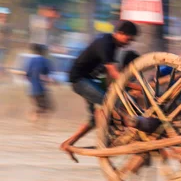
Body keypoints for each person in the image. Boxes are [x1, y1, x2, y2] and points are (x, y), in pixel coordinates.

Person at [60, 21, 139, 160]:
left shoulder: (113, 46)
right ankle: (123, 131)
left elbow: (109, 76)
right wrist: (138, 87)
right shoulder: (107, 43)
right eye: (129, 39)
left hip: (90, 80)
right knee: (109, 103)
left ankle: (68, 144)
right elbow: (113, 73)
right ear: (120, 33)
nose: (129, 43)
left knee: (94, 120)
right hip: (80, 80)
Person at [26, 44, 54, 121]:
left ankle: (36, 120)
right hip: (40, 90)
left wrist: (33, 82)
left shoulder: (31, 60)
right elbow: (47, 75)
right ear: (43, 52)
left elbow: (27, 75)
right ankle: (34, 117)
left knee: (41, 107)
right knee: (48, 107)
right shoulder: (45, 61)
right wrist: (49, 81)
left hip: (31, 90)